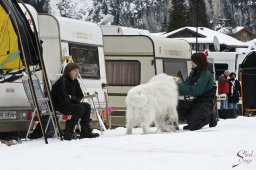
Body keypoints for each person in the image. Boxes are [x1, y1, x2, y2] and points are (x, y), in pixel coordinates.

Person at [51, 63, 99, 140]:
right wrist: (71, 99)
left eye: (78, 71)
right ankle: (68, 131)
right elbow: (63, 97)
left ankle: (85, 131)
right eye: (75, 71)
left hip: (70, 103)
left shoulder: (75, 81)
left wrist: (72, 98)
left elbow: (80, 95)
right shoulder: (62, 81)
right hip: (60, 105)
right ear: (69, 71)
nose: (77, 73)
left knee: (86, 106)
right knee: (79, 107)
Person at [177, 53, 217, 131]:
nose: (191, 62)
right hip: (195, 101)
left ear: (197, 61)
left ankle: (210, 116)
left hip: (205, 102)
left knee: (193, 126)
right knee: (176, 105)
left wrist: (180, 87)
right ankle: (193, 119)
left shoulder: (206, 74)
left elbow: (196, 91)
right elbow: (185, 84)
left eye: (192, 61)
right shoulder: (194, 72)